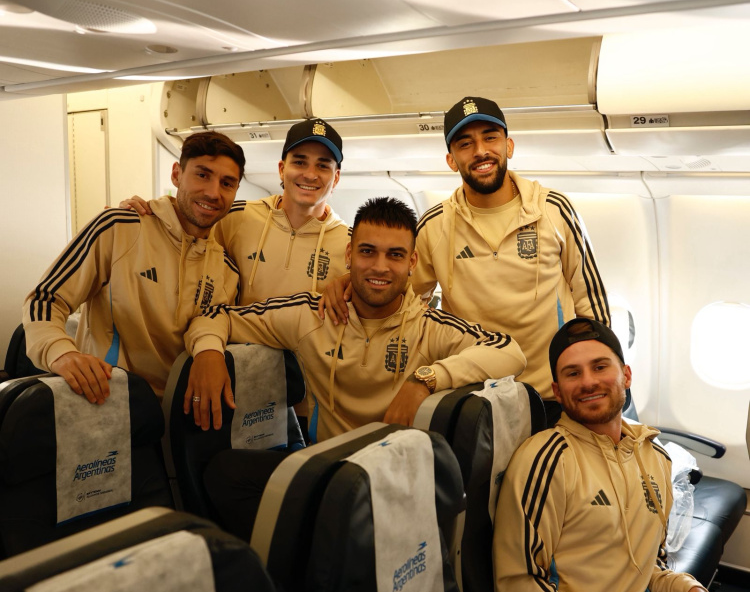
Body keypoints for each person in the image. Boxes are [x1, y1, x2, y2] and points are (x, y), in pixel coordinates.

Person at [493, 318, 750, 592]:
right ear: (557, 391)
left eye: (600, 367)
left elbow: (648, 567)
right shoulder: (544, 460)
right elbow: (518, 587)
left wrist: (689, 591)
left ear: (625, 375)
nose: (588, 382)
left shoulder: (653, 457)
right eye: (572, 373)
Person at [320, 97, 610, 420]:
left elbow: (591, 304)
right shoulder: (435, 226)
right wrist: (349, 283)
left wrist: (598, 378)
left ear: (509, 146)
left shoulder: (554, 210)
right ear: (451, 159)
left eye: (490, 137)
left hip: (552, 394)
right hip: (475, 399)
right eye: (465, 144)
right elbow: (401, 297)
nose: (480, 151)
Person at [184, 196, 526, 442]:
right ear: (349, 255)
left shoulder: (429, 328)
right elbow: (216, 317)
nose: (380, 267)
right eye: (367, 252)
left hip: (396, 476)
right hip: (325, 469)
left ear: (412, 262)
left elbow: (509, 351)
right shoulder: (312, 315)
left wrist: (424, 380)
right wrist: (208, 353)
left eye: (395, 255)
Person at [124, 118, 350, 427]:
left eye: (323, 166)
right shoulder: (237, 217)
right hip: (240, 383)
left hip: (310, 399)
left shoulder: (351, 245)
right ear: (281, 169)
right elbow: (186, 227)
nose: (310, 174)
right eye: (300, 162)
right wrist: (148, 213)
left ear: (335, 178)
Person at [23, 131, 244, 402]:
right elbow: (45, 300)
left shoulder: (227, 271)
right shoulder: (119, 227)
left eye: (227, 183)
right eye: (202, 175)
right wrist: (62, 353)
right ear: (176, 175)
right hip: (107, 401)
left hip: (180, 411)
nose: (213, 192)